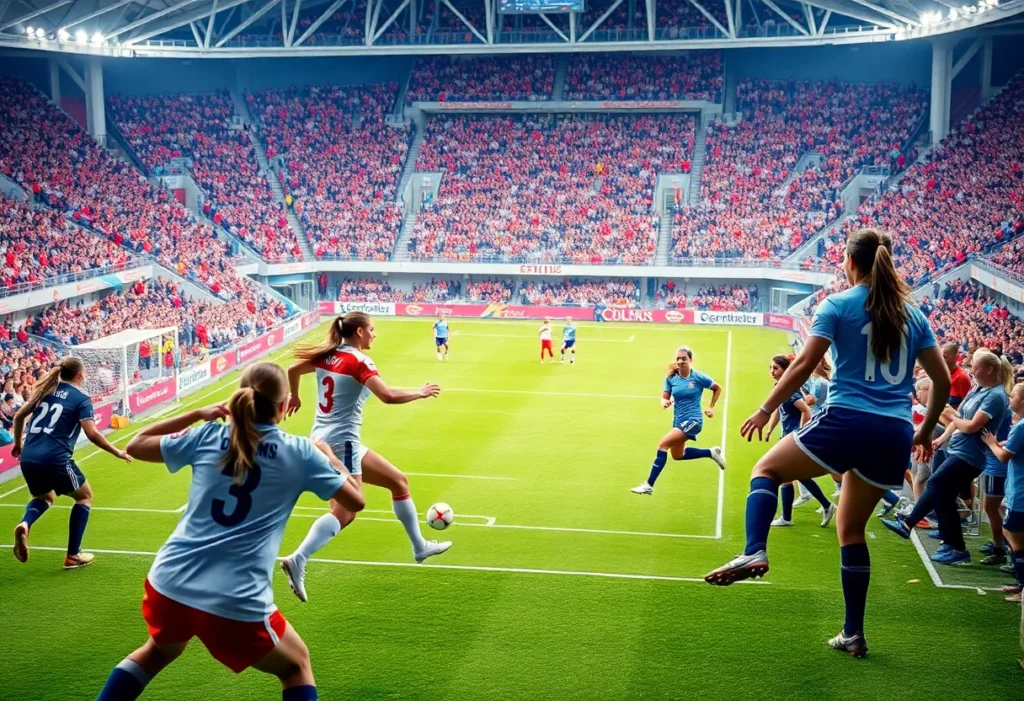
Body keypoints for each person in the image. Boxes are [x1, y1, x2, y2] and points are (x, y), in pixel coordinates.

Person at [705, 228, 951, 659]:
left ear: (851, 262)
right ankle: (853, 633)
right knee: (851, 530)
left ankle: (752, 551)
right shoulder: (914, 316)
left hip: (847, 420)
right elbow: (943, 380)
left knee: (766, 471)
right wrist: (926, 430)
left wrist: (765, 408)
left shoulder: (837, 304)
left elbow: (802, 363)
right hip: (892, 433)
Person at [95, 363, 365, 701]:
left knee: (157, 651)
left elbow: (136, 444)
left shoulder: (209, 435)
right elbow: (356, 500)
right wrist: (330, 458)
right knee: (295, 667)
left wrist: (196, 414)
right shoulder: (301, 452)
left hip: (169, 581)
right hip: (234, 598)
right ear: (282, 407)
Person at [280, 313, 449, 603]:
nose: (374, 334)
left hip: (329, 440)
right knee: (346, 512)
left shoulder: (329, 355)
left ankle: (420, 546)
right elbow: (387, 396)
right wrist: (419, 393)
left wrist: (295, 396)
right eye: (371, 330)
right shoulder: (358, 362)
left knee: (398, 481)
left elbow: (292, 370)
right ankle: (298, 558)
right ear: (359, 332)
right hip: (340, 445)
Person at [883, 349, 1013, 565]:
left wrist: (951, 415)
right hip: (957, 449)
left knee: (935, 483)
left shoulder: (996, 396)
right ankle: (955, 546)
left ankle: (909, 522)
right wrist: (942, 438)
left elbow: (970, 426)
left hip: (970, 456)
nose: (972, 370)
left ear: (989, 370)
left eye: (976, 367)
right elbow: (959, 418)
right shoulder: (978, 389)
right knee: (944, 495)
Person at [10, 357, 132, 569]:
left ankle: (25, 523)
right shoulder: (81, 399)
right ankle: (73, 555)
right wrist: (116, 451)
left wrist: (18, 444)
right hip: (55, 458)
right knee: (84, 497)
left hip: (29, 456)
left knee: (44, 497)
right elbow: (92, 433)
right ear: (79, 375)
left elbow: (19, 416)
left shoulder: (45, 391)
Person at [631, 345, 726, 495]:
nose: (681, 361)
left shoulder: (699, 377)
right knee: (677, 456)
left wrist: (711, 407)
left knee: (662, 445)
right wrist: (664, 403)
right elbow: (664, 397)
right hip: (678, 421)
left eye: (684, 359)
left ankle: (649, 485)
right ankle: (711, 452)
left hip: (694, 420)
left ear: (690, 360)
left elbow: (717, 388)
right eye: (678, 359)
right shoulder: (671, 379)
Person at [762, 355, 837, 528]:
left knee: (785, 475)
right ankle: (825, 506)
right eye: (771, 368)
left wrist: (800, 434)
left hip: (792, 437)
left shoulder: (790, 390)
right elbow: (779, 410)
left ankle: (790, 517)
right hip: (787, 436)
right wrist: (770, 429)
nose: (772, 372)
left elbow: (805, 410)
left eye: (776, 368)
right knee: (797, 475)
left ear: (785, 370)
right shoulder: (781, 387)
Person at [980, 382, 1024, 603]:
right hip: (1017, 490)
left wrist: (991, 444)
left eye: (1014, 396)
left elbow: (1004, 456)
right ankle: (1020, 585)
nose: (1010, 399)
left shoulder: (1022, 425)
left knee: (1015, 538)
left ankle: (1023, 588)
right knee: (1012, 534)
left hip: (1020, 493)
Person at [794, 356, 834, 506]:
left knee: (803, 457)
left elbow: (811, 401)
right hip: (817, 420)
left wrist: (800, 392)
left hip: (818, 421)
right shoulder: (815, 379)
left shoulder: (821, 383)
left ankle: (888, 497)